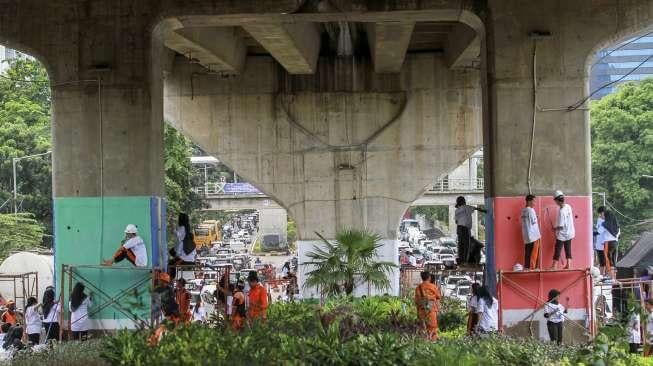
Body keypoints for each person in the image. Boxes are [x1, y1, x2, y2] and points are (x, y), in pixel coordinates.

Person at [455, 196, 486, 265]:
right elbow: (476, 208)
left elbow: (456, 222)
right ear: (463, 202)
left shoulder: (457, 211)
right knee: (466, 245)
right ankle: (465, 261)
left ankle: (461, 259)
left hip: (459, 229)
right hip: (465, 229)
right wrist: (484, 211)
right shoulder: (467, 207)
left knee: (461, 245)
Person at [414, 271, 442, 341]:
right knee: (432, 327)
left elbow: (416, 301)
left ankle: (424, 342)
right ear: (429, 277)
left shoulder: (418, 288)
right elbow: (438, 296)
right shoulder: (433, 286)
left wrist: (418, 312)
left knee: (423, 327)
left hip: (422, 310)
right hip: (431, 310)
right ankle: (433, 341)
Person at [551, 191, 575, 269]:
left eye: (555, 201)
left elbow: (561, 226)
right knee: (568, 248)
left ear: (557, 201)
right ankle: (569, 265)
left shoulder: (562, 211)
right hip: (570, 232)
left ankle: (554, 266)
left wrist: (554, 228)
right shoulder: (568, 206)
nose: (555, 202)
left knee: (557, 249)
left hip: (563, 234)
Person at [169, 213, 196, 279]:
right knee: (172, 254)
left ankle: (171, 280)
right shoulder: (192, 244)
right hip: (190, 262)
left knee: (170, 265)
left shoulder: (182, 229)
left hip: (184, 261)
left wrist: (172, 224)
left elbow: (176, 234)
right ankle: (172, 279)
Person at [597, 206, 619, 279]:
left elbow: (599, 231)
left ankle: (611, 278)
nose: (600, 216)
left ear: (603, 213)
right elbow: (618, 233)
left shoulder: (605, 223)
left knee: (608, 261)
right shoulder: (614, 222)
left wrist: (597, 228)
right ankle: (614, 278)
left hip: (608, 243)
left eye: (600, 214)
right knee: (613, 260)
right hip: (615, 243)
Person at [520, 194, 541, 269]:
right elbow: (533, 221)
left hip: (526, 236)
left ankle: (527, 267)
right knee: (534, 253)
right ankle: (533, 268)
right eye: (534, 201)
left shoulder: (523, 211)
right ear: (529, 201)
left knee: (528, 253)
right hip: (534, 236)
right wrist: (537, 217)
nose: (534, 203)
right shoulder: (531, 210)